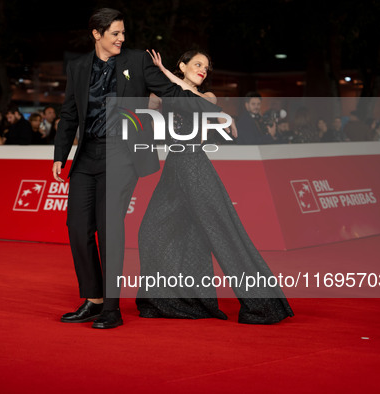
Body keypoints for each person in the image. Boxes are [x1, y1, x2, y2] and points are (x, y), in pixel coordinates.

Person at [52, 8, 227, 329]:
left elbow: (172, 93)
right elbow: (68, 114)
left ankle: (111, 309)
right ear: (97, 34)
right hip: (87, 156)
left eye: (122, 33)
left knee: (109, 229)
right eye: (115, 33)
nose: (121, 38)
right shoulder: (77, 68)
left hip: (122, 155)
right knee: (77, 228)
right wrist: (59, 154)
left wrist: (206, 106)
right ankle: (93, 299)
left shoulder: (136, 61)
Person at [135, 49, 293, 324]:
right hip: (173, 169)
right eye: (197, 64)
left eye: (206, 67)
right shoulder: (167, 96)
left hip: (195, 166)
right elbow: (142, 103)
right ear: (183, 66)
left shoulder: (207, 97)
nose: (203, 70)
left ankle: (264, 304)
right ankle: (173, 300)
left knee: (224, 233)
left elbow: (195, 100)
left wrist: (166, 73)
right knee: (153, 230)